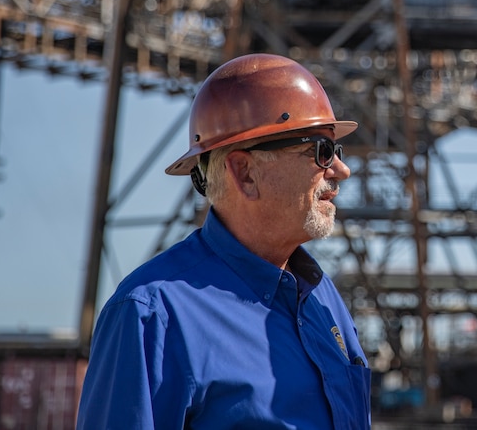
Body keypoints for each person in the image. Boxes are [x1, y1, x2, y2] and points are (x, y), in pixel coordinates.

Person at [77, 53, 371, 429]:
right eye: (321, 151)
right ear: (244, 172)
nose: (341, 171)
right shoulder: (151, 315)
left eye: (337, 151)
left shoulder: (320, 297)